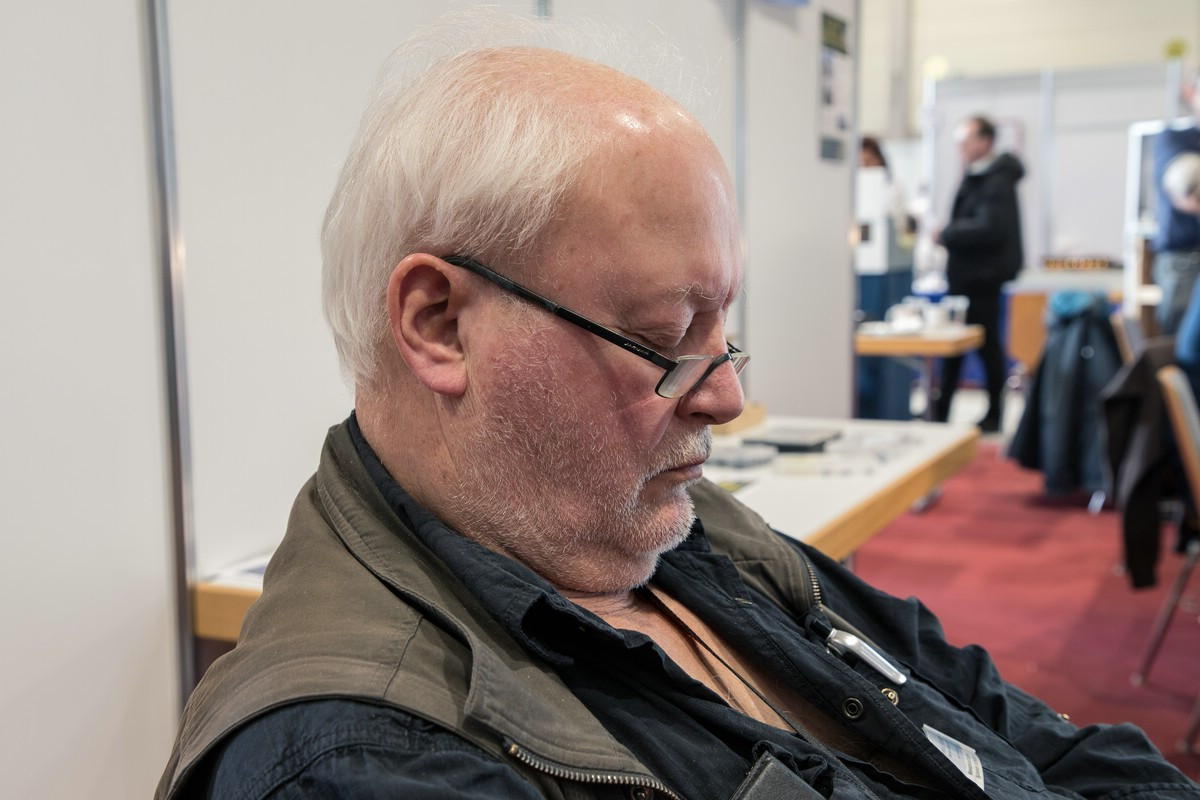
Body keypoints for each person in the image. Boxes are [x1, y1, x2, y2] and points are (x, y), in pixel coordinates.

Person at [156, 15, 1199, 800]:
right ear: (440, 324)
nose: (728, 395)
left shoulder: (658, 526)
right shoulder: (360, 756)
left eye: (722, 327)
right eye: (663, 336)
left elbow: (1003, 720)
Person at [933, 114, 1024, 433]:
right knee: (957, 347)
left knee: (986, 347)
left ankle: (993, 414)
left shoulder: (996, 179)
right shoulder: (980, 175)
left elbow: (991, 228)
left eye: (966, 140)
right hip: (968, 276)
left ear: (985, 141)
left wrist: (948, 233)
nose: (960, 147)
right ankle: (941, 412)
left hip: (982, 277)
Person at [1152, 76, 1200, 336]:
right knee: (1182, 346)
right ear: (1190, 92)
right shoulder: (1174, 139)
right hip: (1185, 262)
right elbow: (1187, 189)